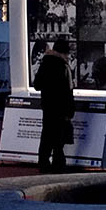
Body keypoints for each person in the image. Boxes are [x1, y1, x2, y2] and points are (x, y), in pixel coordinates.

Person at [33, 38, 75, 172]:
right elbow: (68, 91)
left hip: (48, 105)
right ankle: (58, 165)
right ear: (65, 53)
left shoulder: (45, 63)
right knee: (59, 139)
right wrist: (70, 110)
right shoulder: (63, 66)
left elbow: (37, 85)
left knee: (46, 136)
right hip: (61, 107)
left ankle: (43, 163)